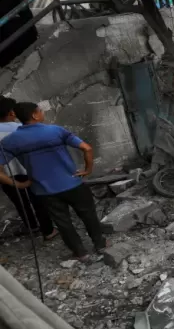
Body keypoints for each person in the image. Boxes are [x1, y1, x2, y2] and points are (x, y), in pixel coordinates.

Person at [0, 102, 107, 260]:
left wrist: (19, 184)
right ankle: (100, 244)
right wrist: (88, 169)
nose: (42, 113)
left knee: (63, 222)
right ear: (34, 115)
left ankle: (80, 253)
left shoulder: (10, 141)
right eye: (40, 111)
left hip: (44, 191)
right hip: (73, 183)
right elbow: (87, 148)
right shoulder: (55, 131)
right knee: (88, 215)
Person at [0, 97, 55, 240]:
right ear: (12, 113)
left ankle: (32, 226)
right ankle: (48, 230)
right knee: (38, 200)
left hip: (6, 175)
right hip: (29, 170)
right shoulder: (21, 128)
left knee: (20, 202)